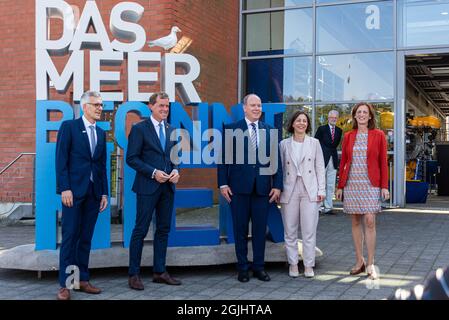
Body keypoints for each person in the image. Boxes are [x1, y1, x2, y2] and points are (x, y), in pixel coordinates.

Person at [217, 93, 283, 283]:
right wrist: (223, 184)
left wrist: (277, 186)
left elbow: (276, 162)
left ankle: (259, 267)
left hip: (263, 190)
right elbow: (223, 161)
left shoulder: (269, 131)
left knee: (260, 231)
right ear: (244, 108)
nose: (257, 108)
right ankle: (243, 268)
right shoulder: (232, 129)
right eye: (253, 105)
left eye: (259, 105)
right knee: (240, 230)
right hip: (238, 190)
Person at [55, 91, 109, 300]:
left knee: (85, 238)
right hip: (74, 193)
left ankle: (82, 279)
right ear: (84, 107)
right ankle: (66, 285)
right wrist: (65, 188)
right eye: (96, 105)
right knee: (70, 238)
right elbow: (61, 161)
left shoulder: (102, 133)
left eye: (101, 105)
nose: (100, 108)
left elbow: (101, 165)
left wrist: (104, 192)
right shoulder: (69, 127)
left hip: (94, 194)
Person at [126, 92, 181, 290]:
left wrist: (176, 171)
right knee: (140, 230)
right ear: (150, 106)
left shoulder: (171, 129)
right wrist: (153, 173)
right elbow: (131, 158)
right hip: (148, 187)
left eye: (167, 106)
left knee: (163, 230)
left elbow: (175, 158)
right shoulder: (139, 129)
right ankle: (134, 274)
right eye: (161, 106)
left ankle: (159, 271)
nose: (165, 109)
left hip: (167, 188)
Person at [336, 102, 389, 280]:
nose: (362, 114)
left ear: (370, 116)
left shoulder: (379, 135)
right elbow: (343, 161)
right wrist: (340, 186)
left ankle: (371, 263)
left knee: (370, 220)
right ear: (355, 115)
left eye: (365, 112)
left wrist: (384, 186)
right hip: (352, 182)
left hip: (371, 183)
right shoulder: (349, 135)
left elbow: (383, 162)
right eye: (359, 112)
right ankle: (359, 260)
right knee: (356, 221)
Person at [279, 111, 325, 278]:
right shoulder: (284, 144)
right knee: (290, 230)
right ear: (292, 124)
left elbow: (320, 167)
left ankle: (308, 265)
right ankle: (293, 264)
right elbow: (280, 169)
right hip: (289, 189)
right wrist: (278, 189)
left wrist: (321, 190)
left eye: (304, 121)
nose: (301, 123)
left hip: (309, 189)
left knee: (309, 230)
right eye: (298, 120)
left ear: (308, 124)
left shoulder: (314, 143)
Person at [314, 110, 342, 214]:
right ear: (328, 118)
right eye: (331, 117)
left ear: (337, 118)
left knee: (330, 184)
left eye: (335, 117)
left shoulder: (339, 130)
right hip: (322, 158)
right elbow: (316, 142)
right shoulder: (322, 129)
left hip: (333, 159)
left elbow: (335, 145)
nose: (333, 119)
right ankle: (319, 207)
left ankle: (328, 207)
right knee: (320, 183)